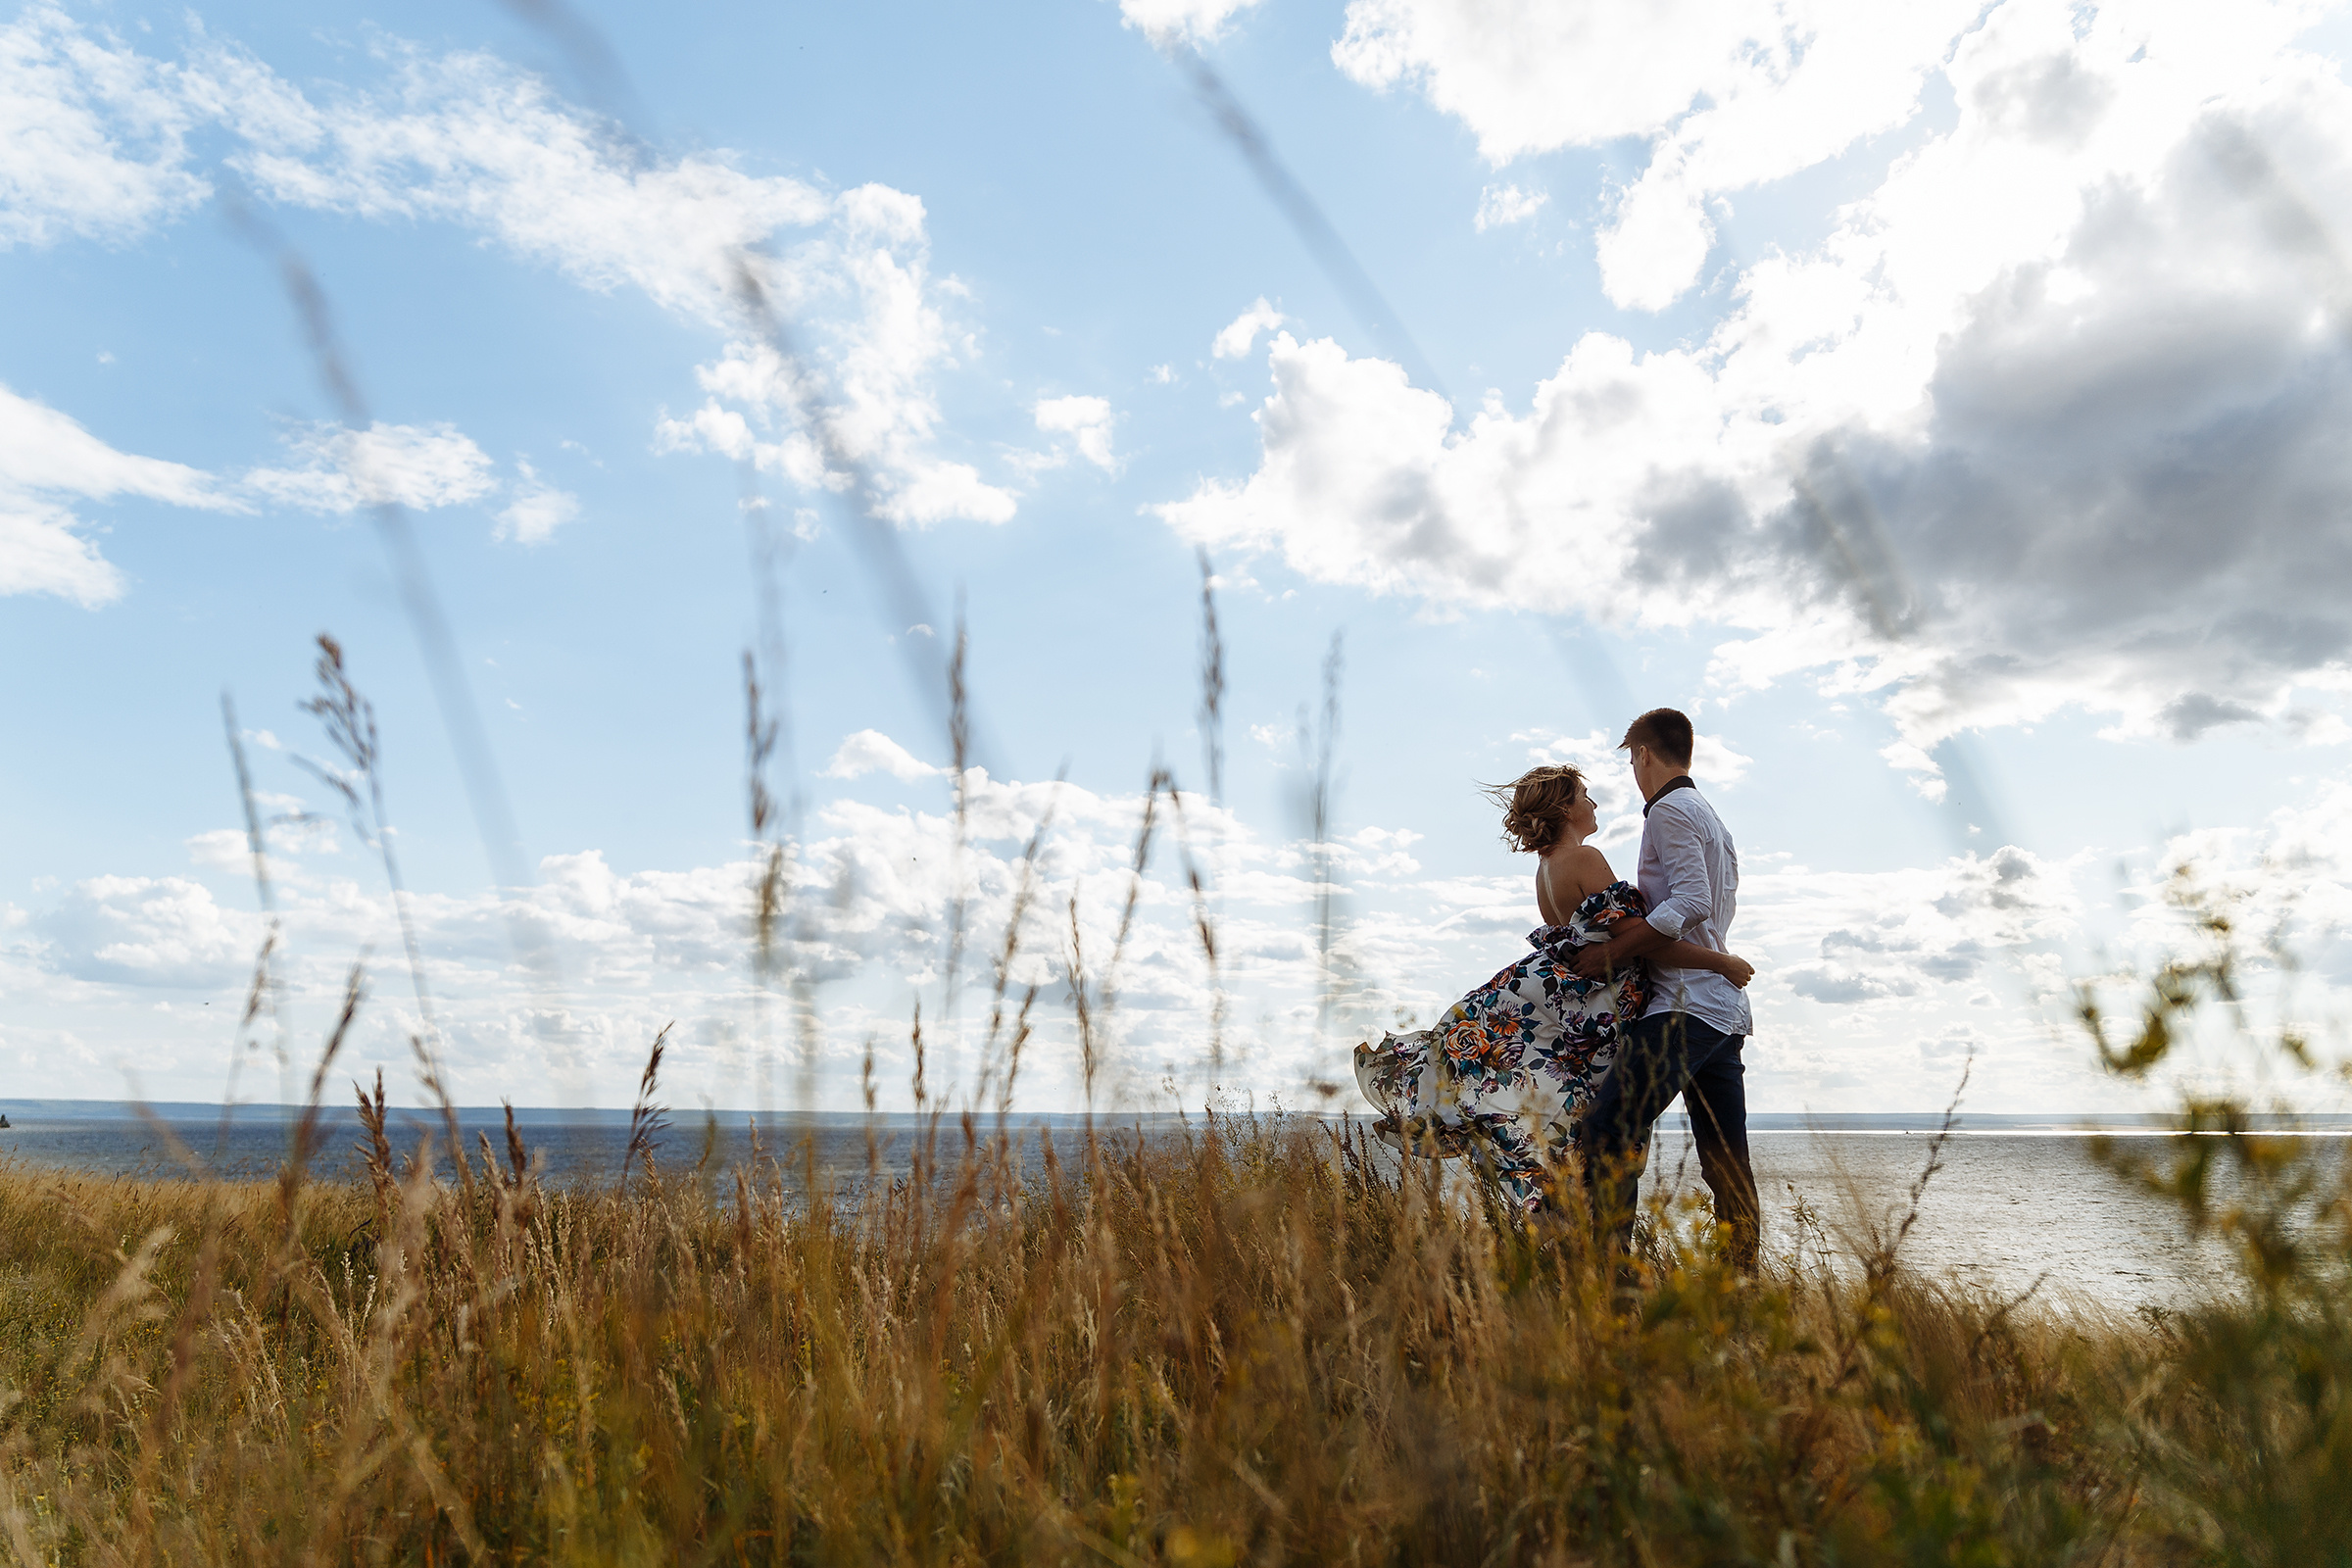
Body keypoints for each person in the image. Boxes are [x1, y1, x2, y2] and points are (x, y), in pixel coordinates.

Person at [1353, 763, 1752, 1213]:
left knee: (1600, 1127)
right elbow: (1641, 942)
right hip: (1609, 1010)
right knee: (1615, 1133)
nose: (1594, 802)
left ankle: (1587, 1241)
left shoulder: (1545, 873)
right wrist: (1721, 962)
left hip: (1579, 1008)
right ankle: (1606, 1252)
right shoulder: (1585, 859)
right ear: (1565, 807)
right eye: (1585, 794)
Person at [1571, 708, 1759, 1272]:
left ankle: (1610, 1281)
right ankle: (1741, 1280)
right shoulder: (1710, 816)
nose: (1632, 771)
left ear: (1644, 755)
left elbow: (1693, 901)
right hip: (1720, 1013)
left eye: (1631, 759)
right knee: (1725, 1159)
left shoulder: (1670, 809)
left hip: (1684, 1005)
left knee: (1608, 1128)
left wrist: (1612, 951)